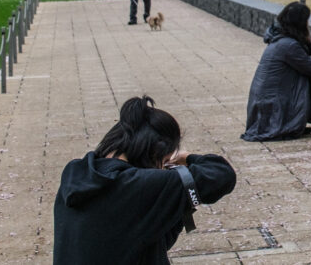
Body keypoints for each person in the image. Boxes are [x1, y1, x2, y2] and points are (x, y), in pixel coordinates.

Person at [53, 95, 236, 264]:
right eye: (164, 161)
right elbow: (221, 174)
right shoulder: (140, 185)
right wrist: (185, 157)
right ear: (155, 152)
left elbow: (149, 239)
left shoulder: (76, 172)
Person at [241, 1, 311, 141]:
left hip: (266, 107)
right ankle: (286, 124)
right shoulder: (288, 45)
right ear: (301, 24)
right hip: (272, 109)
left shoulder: (280, 40)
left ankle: (291, 122)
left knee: (309, 81)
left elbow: (307, 65)